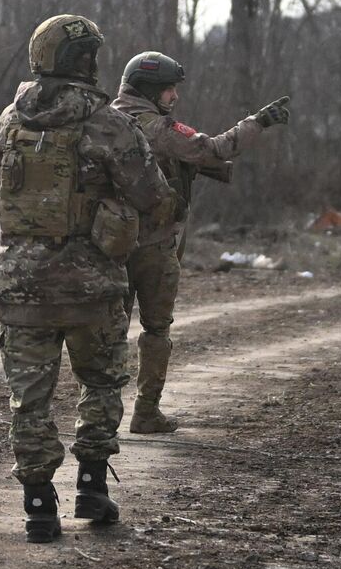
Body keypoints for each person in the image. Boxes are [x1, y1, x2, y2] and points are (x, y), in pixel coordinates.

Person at [0, 15, 172, 543]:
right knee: (100, 383)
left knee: (29, 398)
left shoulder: (10, 118)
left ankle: (38, 505)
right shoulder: (107, 121)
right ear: (86, 62)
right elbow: (152, 194)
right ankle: (92, 485)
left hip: (19, 286)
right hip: (92, 287)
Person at [113, 52, 289, 433]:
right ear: (149, 90)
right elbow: (214, 149)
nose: (174, 96)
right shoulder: (156, 127)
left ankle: (101, 418)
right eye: (168, 89)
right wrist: (258, 122)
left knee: (108, 333)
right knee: (156, 331)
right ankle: (145, 413)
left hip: (108, 245)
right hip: (153, 245)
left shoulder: (104, 121)